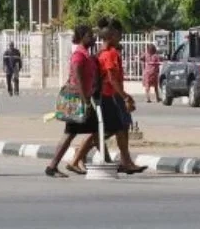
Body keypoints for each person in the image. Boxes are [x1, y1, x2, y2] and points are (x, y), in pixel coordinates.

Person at [89, 18, 145, 174]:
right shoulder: (110, 54)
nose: (120, 36)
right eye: (118, 34)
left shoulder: (101, 53)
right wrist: (125, 96)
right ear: (112, 35)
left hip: (107, 95)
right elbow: (112, 79)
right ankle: (125, 162)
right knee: (111, 130)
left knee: (115, 129)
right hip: (110, 96)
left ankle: (125, 161)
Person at [45, 25, 98, 178]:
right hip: (78, 100)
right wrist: (85, 101)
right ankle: (53, 166)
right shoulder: (79, 55)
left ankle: (57, 165)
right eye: (90, 35)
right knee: (74, 133)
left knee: (92, 131)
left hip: (83, 98)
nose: (93, 38)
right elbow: (78, 79)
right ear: (82, 37)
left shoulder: (85, 54)